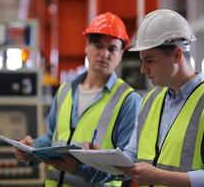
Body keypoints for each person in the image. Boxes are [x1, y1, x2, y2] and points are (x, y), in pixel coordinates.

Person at [14, 12, 141, 187]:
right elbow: (52, 137)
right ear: (86, 47)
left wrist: (79, 169)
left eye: (112, 49)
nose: (104, 54)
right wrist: (31, 150)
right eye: (98, 45)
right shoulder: (65, 90)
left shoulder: (128, 101)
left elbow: (126, 168)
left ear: (121, 54)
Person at [117, 9, 204, 187]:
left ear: (176, 55)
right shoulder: (150, 101)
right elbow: (132, 154)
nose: (143, 69)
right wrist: (102, 160)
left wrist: (159, 177)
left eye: (149, 60)